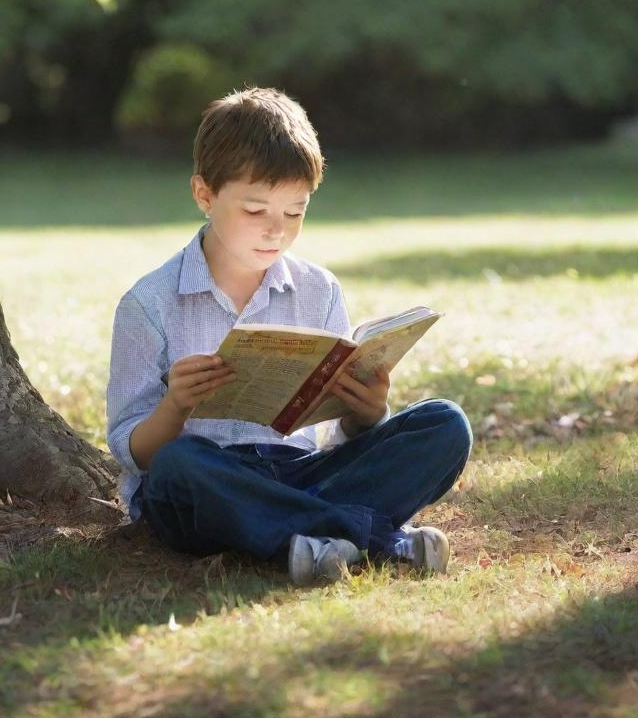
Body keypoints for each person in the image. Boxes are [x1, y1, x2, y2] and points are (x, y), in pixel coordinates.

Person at [106, 87, 472, 584]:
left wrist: (367, 414)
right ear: (204, 195)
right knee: (177, 468)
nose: (276, 230)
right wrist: (174, 407)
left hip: (301, 475)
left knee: (444, 424)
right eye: (256, 211)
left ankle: (307, 537)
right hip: (211, 479)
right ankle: (382, 540)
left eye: (295, 212)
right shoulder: (149, 304)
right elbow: (135, 453)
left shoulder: (318, 290)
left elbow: (327, 435)